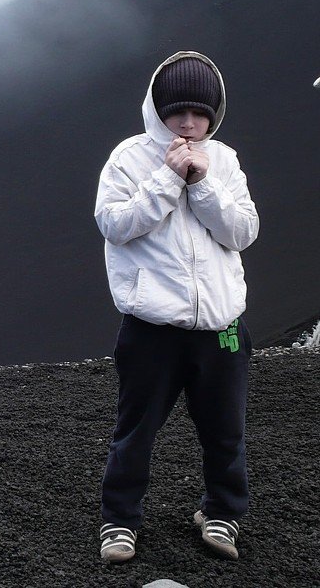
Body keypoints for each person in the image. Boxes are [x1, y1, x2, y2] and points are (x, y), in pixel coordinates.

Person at [93, 51, 260, 563]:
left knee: (225, 430)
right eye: (177, 111)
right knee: (136, 430)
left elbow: (243, 231)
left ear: (215, 112)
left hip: (221, 326)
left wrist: (202, 183)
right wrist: (167, 179)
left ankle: (222, 514)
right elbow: (114, 224)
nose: (189, 123)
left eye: (200, 112)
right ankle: (120, 522)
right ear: (156, 109)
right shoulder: (128, 158)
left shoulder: (225, 160)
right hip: (151, 327)